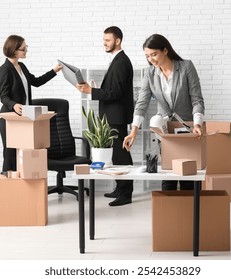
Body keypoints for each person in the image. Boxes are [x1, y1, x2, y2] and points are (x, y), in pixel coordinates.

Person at [123, 34, 205, 191]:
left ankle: (191, 212)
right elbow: (142, 102)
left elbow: (197, 99)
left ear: (165, 50)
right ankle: (168, 211)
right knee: (168, 173)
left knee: (188, 176)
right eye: (147, 56)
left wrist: (197, 124)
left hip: (187, 127)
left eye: (154, 54)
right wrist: (133, 131)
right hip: (164, 129)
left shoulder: (186, 67)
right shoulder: (150, 73)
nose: (151, 59)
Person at [76, 26, 134, 206]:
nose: (105, 44)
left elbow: (115, 93)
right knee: (116, 155)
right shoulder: (117, 60)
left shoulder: (121, 62)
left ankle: (126, 193)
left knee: (121, 155)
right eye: (104, 40)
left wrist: (91, 91)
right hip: (113, 115)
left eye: (108, 40)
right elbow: (112, 89)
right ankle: (120, 188)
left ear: (118, 41)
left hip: (116, 116)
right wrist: (94, 88)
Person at [0, 34, 62, 173]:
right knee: (10, 153)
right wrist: (14, 104)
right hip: (10, 118)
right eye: (23, 48)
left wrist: (54, 71)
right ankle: (7, 183)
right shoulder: (4, 70)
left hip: (24, 117)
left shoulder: (22, 67)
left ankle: (23, 185)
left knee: (24, 152)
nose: (26, 50)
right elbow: (3, 96)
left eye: (26, 47)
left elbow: (36, 82)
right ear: (14, 50)